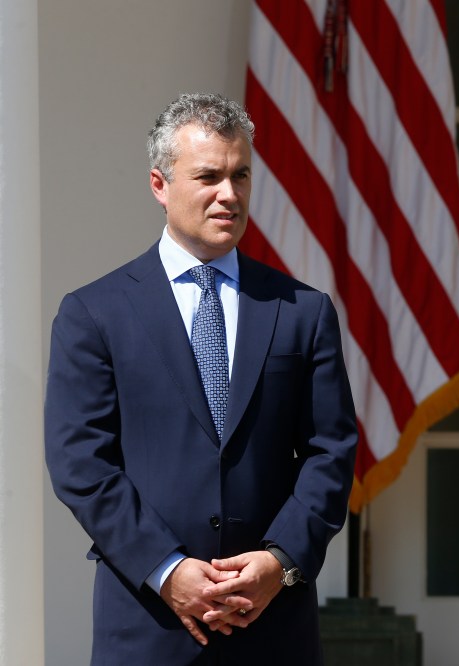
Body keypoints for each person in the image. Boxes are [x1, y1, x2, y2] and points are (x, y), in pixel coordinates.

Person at [44, 93, 358, 664]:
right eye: (209, 176)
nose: (230, 194)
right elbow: (82, 465)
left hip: (273, 627)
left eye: (241, 175)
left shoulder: (302, 310)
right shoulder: (94, 313)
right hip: (148, 627)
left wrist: (279, 561)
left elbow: (330, 451)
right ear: (159, 185)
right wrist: (167, 571)